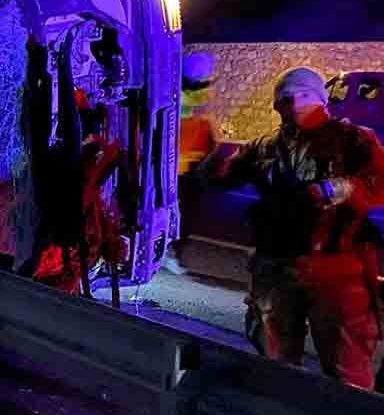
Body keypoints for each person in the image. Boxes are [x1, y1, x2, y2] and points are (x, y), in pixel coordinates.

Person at [205, 66, 384, 389]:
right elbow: (223, 176)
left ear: (320, 99)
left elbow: (379, 182)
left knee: (348, 375)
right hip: (277, 268)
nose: (293, 104)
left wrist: (340, 189)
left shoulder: (353, 141)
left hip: (337, 270)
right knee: (276, 365)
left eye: (302, 96)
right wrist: (212, 163)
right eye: (285, 98)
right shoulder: (265, 148)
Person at [164, 51, 219, 275]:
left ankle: (170, 249)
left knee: (181, 211)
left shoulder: (188, 102)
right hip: (177, 167)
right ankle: (168, 249)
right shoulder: (183, 101)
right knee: (176, 210)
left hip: (184, 167)